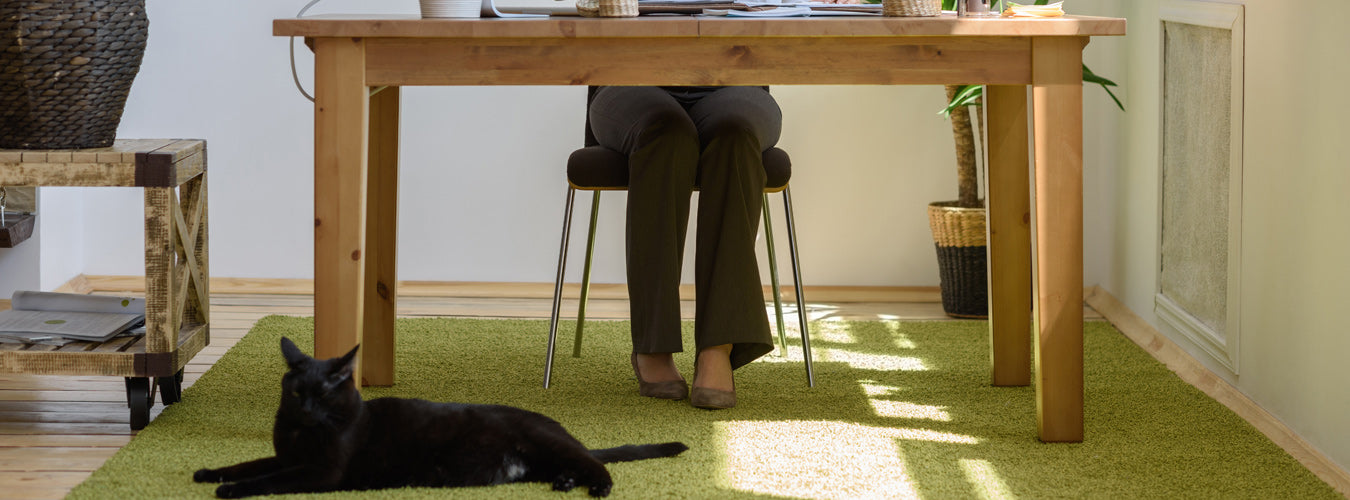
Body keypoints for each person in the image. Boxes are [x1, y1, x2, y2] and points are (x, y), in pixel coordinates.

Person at [587, 85, 782, 410]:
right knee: (667, 133)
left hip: (734, 84)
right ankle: (653, 344)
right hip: (632, 83)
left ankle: (719, 346)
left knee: (735, 133)